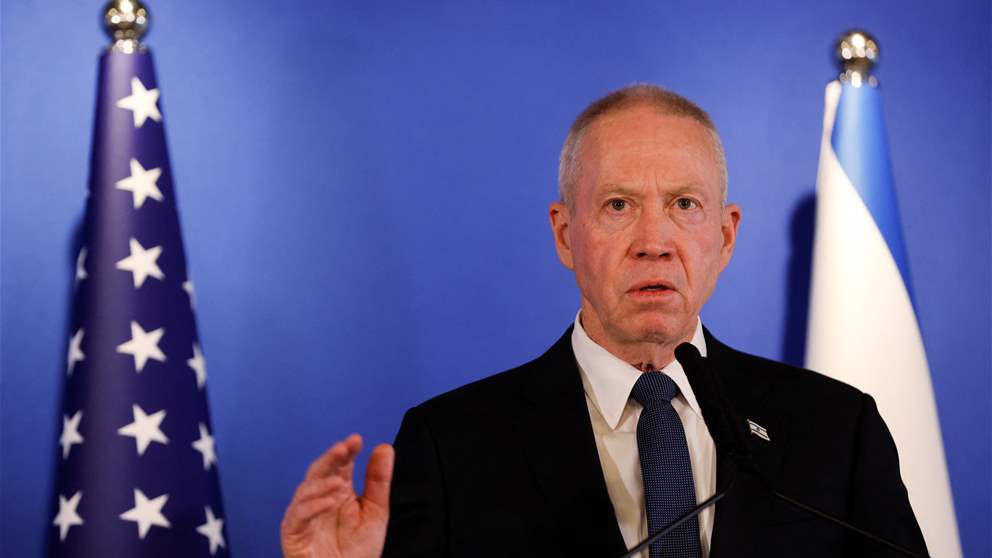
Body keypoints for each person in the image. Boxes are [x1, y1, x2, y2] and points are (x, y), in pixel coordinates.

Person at [280, 85, 928, 558]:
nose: (655, 242)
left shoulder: (836, 430)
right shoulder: (452, 447)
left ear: (726, 236)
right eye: (618, 205)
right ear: (565, 234)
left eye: (684, 204)